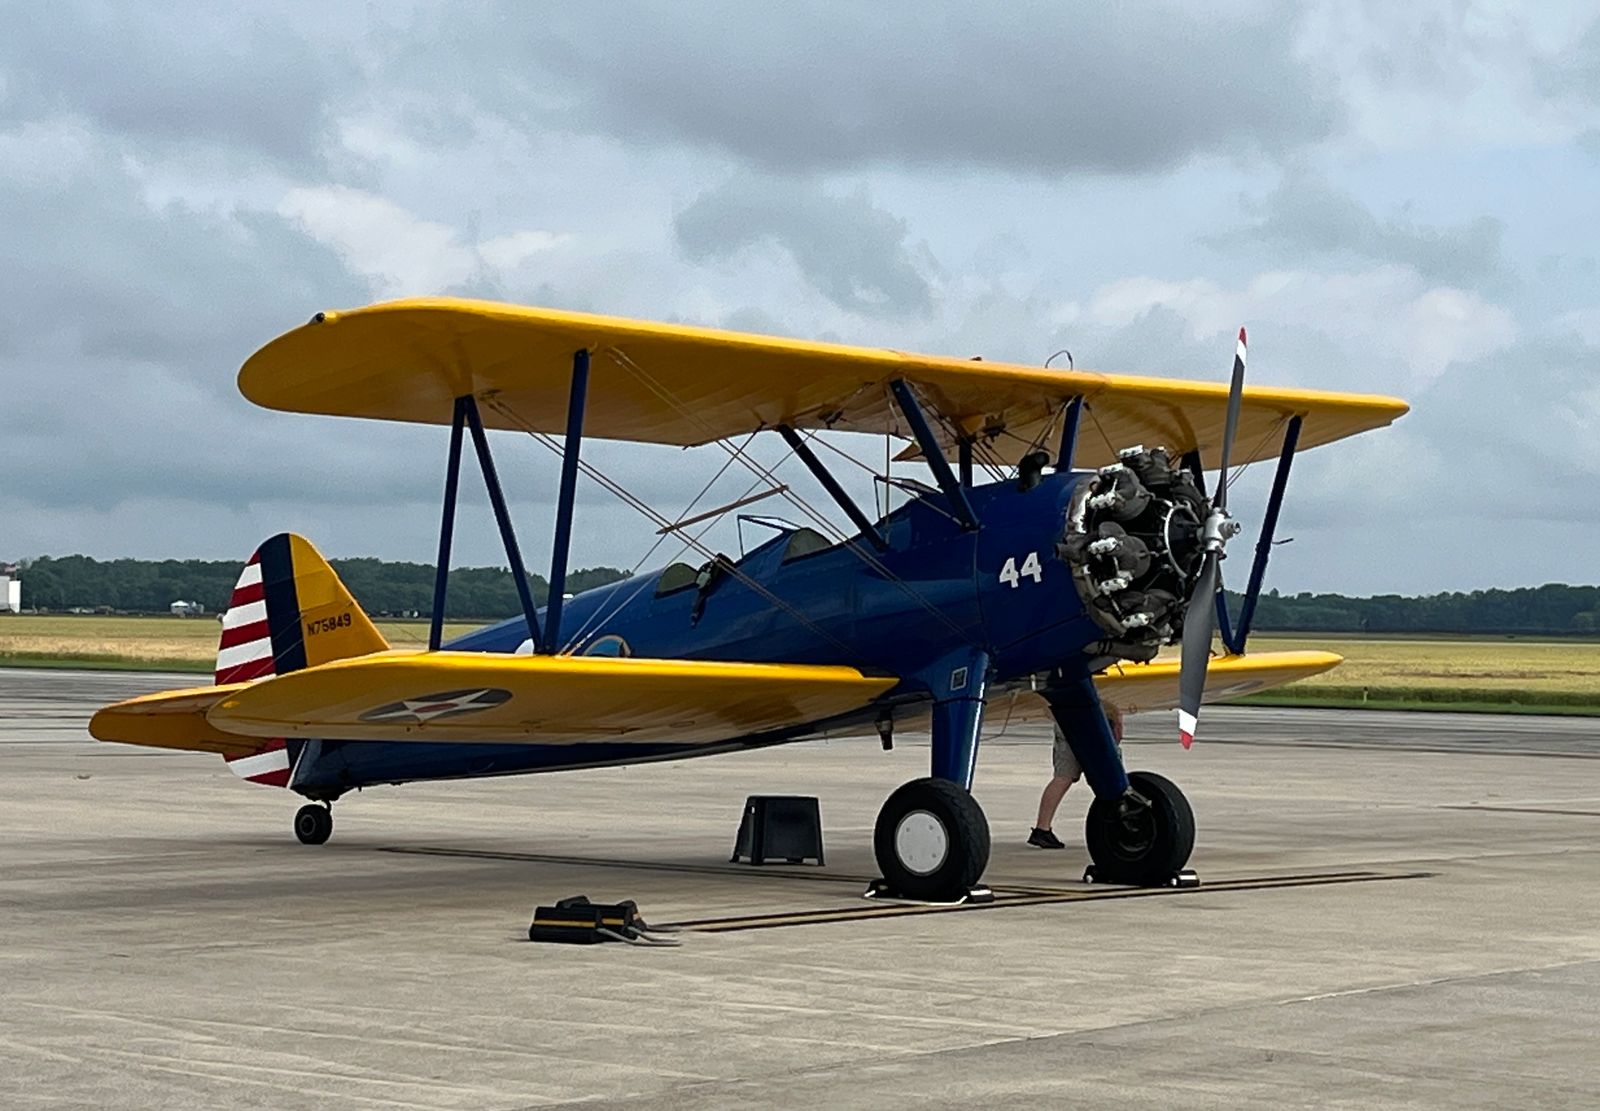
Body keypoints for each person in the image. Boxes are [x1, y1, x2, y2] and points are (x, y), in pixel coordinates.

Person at [1029, 702, 1123, 849]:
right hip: (1094, 720)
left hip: (1067, 718)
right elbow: (1111, 702)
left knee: (1063, 778)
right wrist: (1117, 721)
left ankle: (1042, 828)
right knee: (1108, 778)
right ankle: (1119, 825)